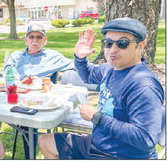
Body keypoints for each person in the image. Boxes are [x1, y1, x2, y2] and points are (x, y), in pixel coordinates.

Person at [38, 17, 164, 159]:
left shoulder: (143, 85)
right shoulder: (111, 69)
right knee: (45, 141)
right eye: (108, 43)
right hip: (99, 144)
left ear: (140, 46)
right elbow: (88, 75)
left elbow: (145, 139)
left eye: (122, 43)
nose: (113, 49)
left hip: (120, 155)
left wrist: (96, 117)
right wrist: (80, 58)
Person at [0, 24, 74, 159]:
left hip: (35, 101)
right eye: (31, 37)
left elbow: (77, 66)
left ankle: (30, 158)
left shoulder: (53, 56)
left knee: (28, 125)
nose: (35, 40)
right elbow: (7, 75)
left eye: (39, 37)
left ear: (45, 40)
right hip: (10, 98)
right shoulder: (16, 56)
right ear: (26, 40)